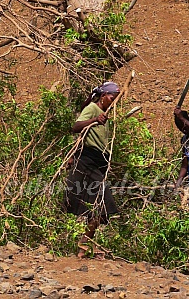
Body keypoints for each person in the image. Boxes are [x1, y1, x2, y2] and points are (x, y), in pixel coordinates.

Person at [64, 81, 120, 258]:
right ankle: (81, 245)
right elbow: (76, 127)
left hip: (99, 162)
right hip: (87, 161)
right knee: (100, 204)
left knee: (99, 207)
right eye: (112, 98)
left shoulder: (103, 113)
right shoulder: (93, 109)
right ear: (103, 96)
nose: (113, 102)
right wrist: (95, 120)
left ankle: (84, 245)